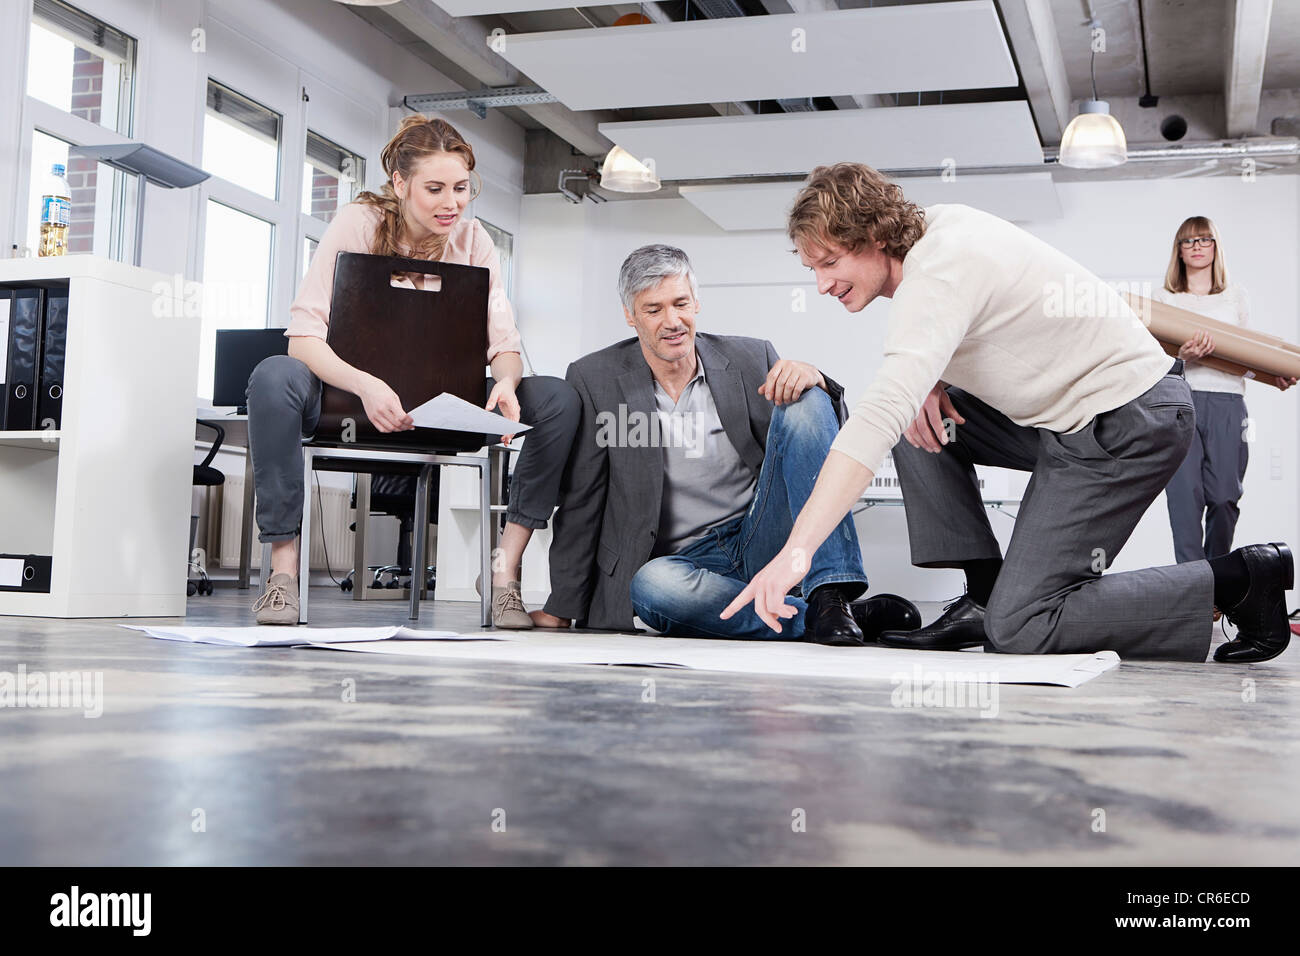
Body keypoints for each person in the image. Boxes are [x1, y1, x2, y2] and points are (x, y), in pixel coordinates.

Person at [723, 163, 1292, 664]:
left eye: (829, 262)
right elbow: (983, 314)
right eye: (812, 269)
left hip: (1128, 425)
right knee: (925, 425)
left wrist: (795, 555)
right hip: (1073, 419)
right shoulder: (937, 226)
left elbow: (872, 418)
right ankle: (985, 590)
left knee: (1021, 627)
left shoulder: (936, 275)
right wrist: (934, 380)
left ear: (872, 235)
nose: (821, 284)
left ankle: (1239, 579)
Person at [246, 115, 579, 628]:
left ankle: (502, 572)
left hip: (447, 405)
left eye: (462, 188)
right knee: (273, 376)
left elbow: (504, 346)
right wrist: (365, 383)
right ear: (400, 184)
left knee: (557, 398)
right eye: (435, 188)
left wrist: (508, 383)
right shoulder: (359, 223)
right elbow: (303, 337)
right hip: (354, 403)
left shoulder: (475, 241)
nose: (452, 202)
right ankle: (283, 575)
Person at [529, 244, 919, 643]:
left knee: (805, 397)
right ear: (630, 315)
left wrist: (816, 379)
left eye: (681, 303)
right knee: (653, 587)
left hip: (760, 534)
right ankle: (819, 617)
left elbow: (812, 450)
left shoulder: (751, 356)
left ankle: (832, 593)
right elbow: (582, 499)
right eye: (654, 309)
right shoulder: (594, 378)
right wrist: (564, 606)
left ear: (696, 302)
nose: (672, 321)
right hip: (682, 563)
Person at [1156, 216, 1294, 582]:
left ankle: (1216, 578)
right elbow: (1150, 364)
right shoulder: (1164, 299)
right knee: (1185, 500)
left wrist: (1271, 375)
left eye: (1205, 239)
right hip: (1179, 404)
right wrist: (1182, 358)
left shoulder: (1235, 296)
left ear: (1216, 247)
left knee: (1223, 497)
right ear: (1179, 251)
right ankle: (1192, 587)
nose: (1197, 246)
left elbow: (1247, 358)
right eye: (1188, 241)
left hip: (1227, 404)